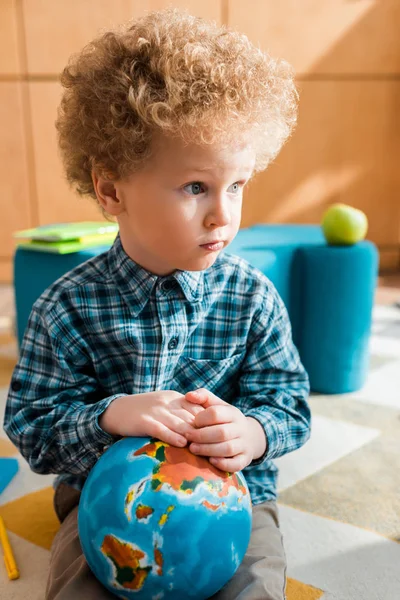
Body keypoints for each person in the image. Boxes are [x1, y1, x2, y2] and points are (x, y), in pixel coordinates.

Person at [3, 8, 311, 600]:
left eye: (238, 184)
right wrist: (109, 416)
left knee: (255, 587)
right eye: (196, 187)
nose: (224, 213)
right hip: (105, 499)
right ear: (111, 187)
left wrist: (252, 432)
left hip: (232, 497)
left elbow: (289, 404)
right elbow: (32, 428)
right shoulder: (65, 307)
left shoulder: (252, 297)